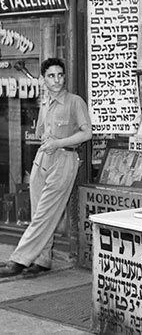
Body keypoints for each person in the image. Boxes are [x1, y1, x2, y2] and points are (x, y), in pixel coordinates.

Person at [0, 58, 91, 278]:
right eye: (51, 75)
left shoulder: (74, 101)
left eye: (60, 75)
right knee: (39, 213)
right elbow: (42, 131)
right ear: (44, 78)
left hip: (64, 160)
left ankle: (19, 260)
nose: (57, 79)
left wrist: (58, 143)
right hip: (42, 160)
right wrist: (46, 141)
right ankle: (42, 260)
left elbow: (87, 133)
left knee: (44, 215)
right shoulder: (45, 101)